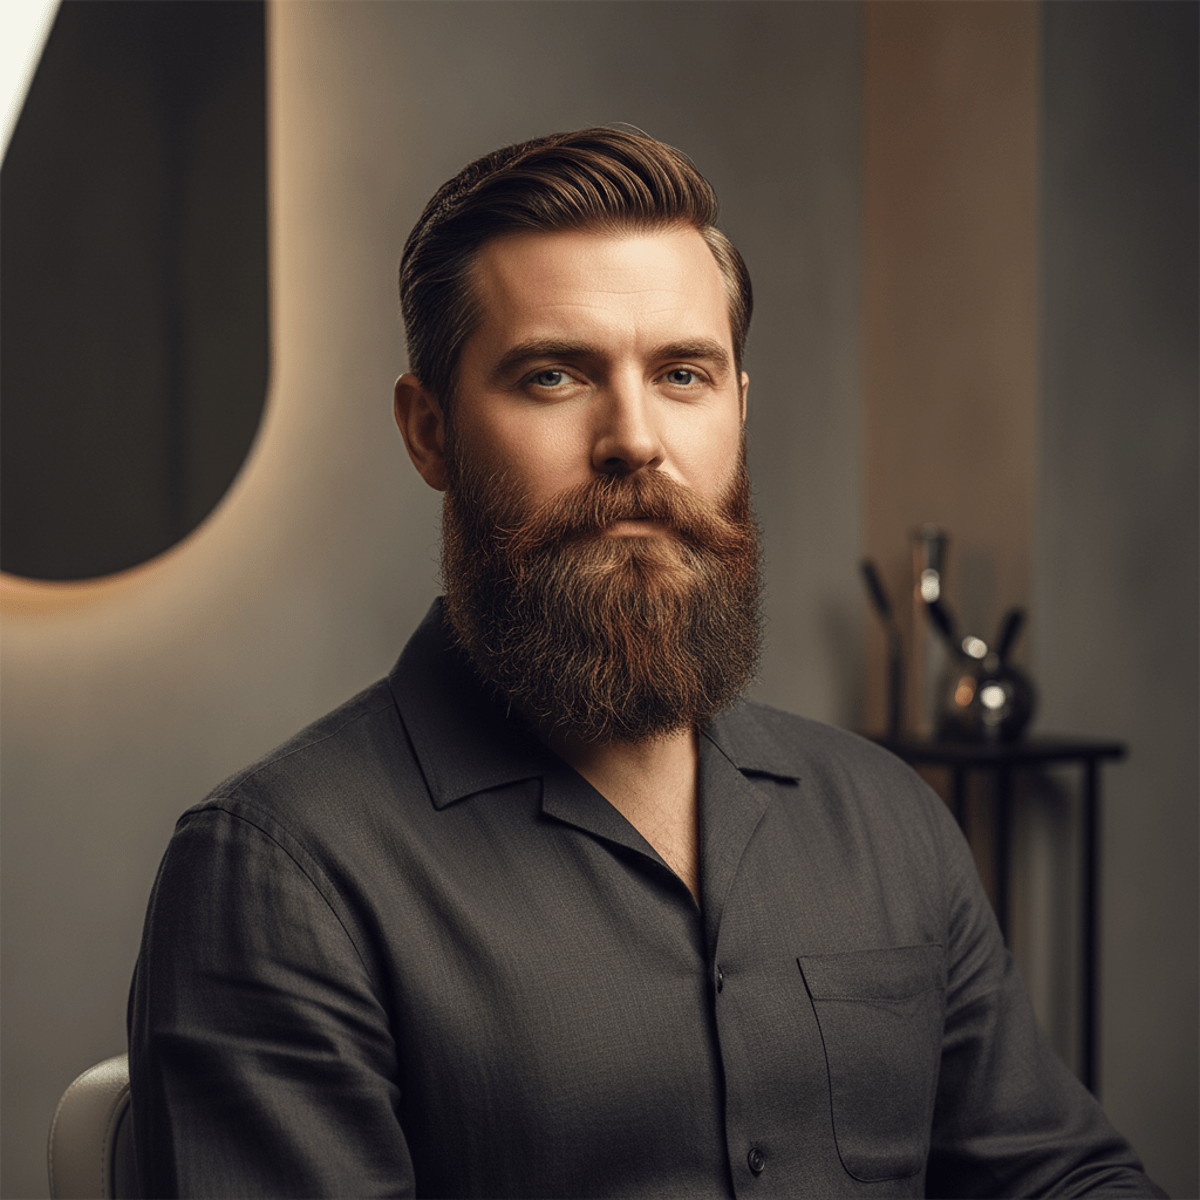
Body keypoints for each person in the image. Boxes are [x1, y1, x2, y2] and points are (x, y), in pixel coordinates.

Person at [128, 128, 1164, 1198]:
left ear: (739, 410)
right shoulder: (283, 877)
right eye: (551, 376)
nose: (634, 438)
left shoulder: (887, 822)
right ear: (429, 431)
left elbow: (1063, 1179)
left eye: (682, 373)